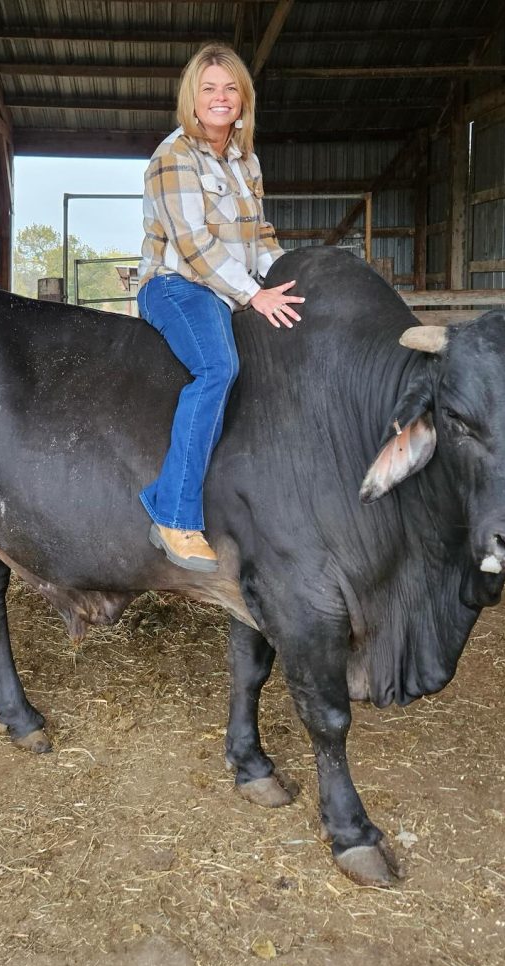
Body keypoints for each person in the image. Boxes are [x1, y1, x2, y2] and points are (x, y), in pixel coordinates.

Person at [136, 43, 304, 573]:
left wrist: (289, 280)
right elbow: (192, 245)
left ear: (243, 98)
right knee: (218, 367)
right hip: (179, 286)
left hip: (230, 284)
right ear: (192, 97)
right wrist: (253, 294)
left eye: (230, 88)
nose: (220, 97)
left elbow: (261, 236)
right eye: (209, 88)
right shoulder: (173, 157)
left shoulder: (245, 159)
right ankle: (173, 514)